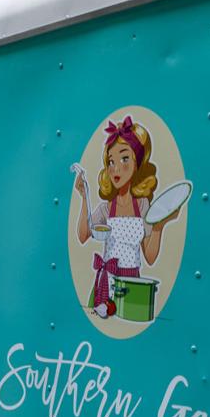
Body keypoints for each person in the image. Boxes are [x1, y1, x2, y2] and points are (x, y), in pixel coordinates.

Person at [74, 115, 178, 318]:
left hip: (132, 283)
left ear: (137, 163)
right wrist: (84, 197)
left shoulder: (143, 206)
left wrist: (160, 225)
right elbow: (83, 235)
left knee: (130, 317)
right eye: (111, 161)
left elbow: (150, 257)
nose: (116, 168)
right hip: (106, 282)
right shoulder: (106, 208)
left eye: (124, 158)